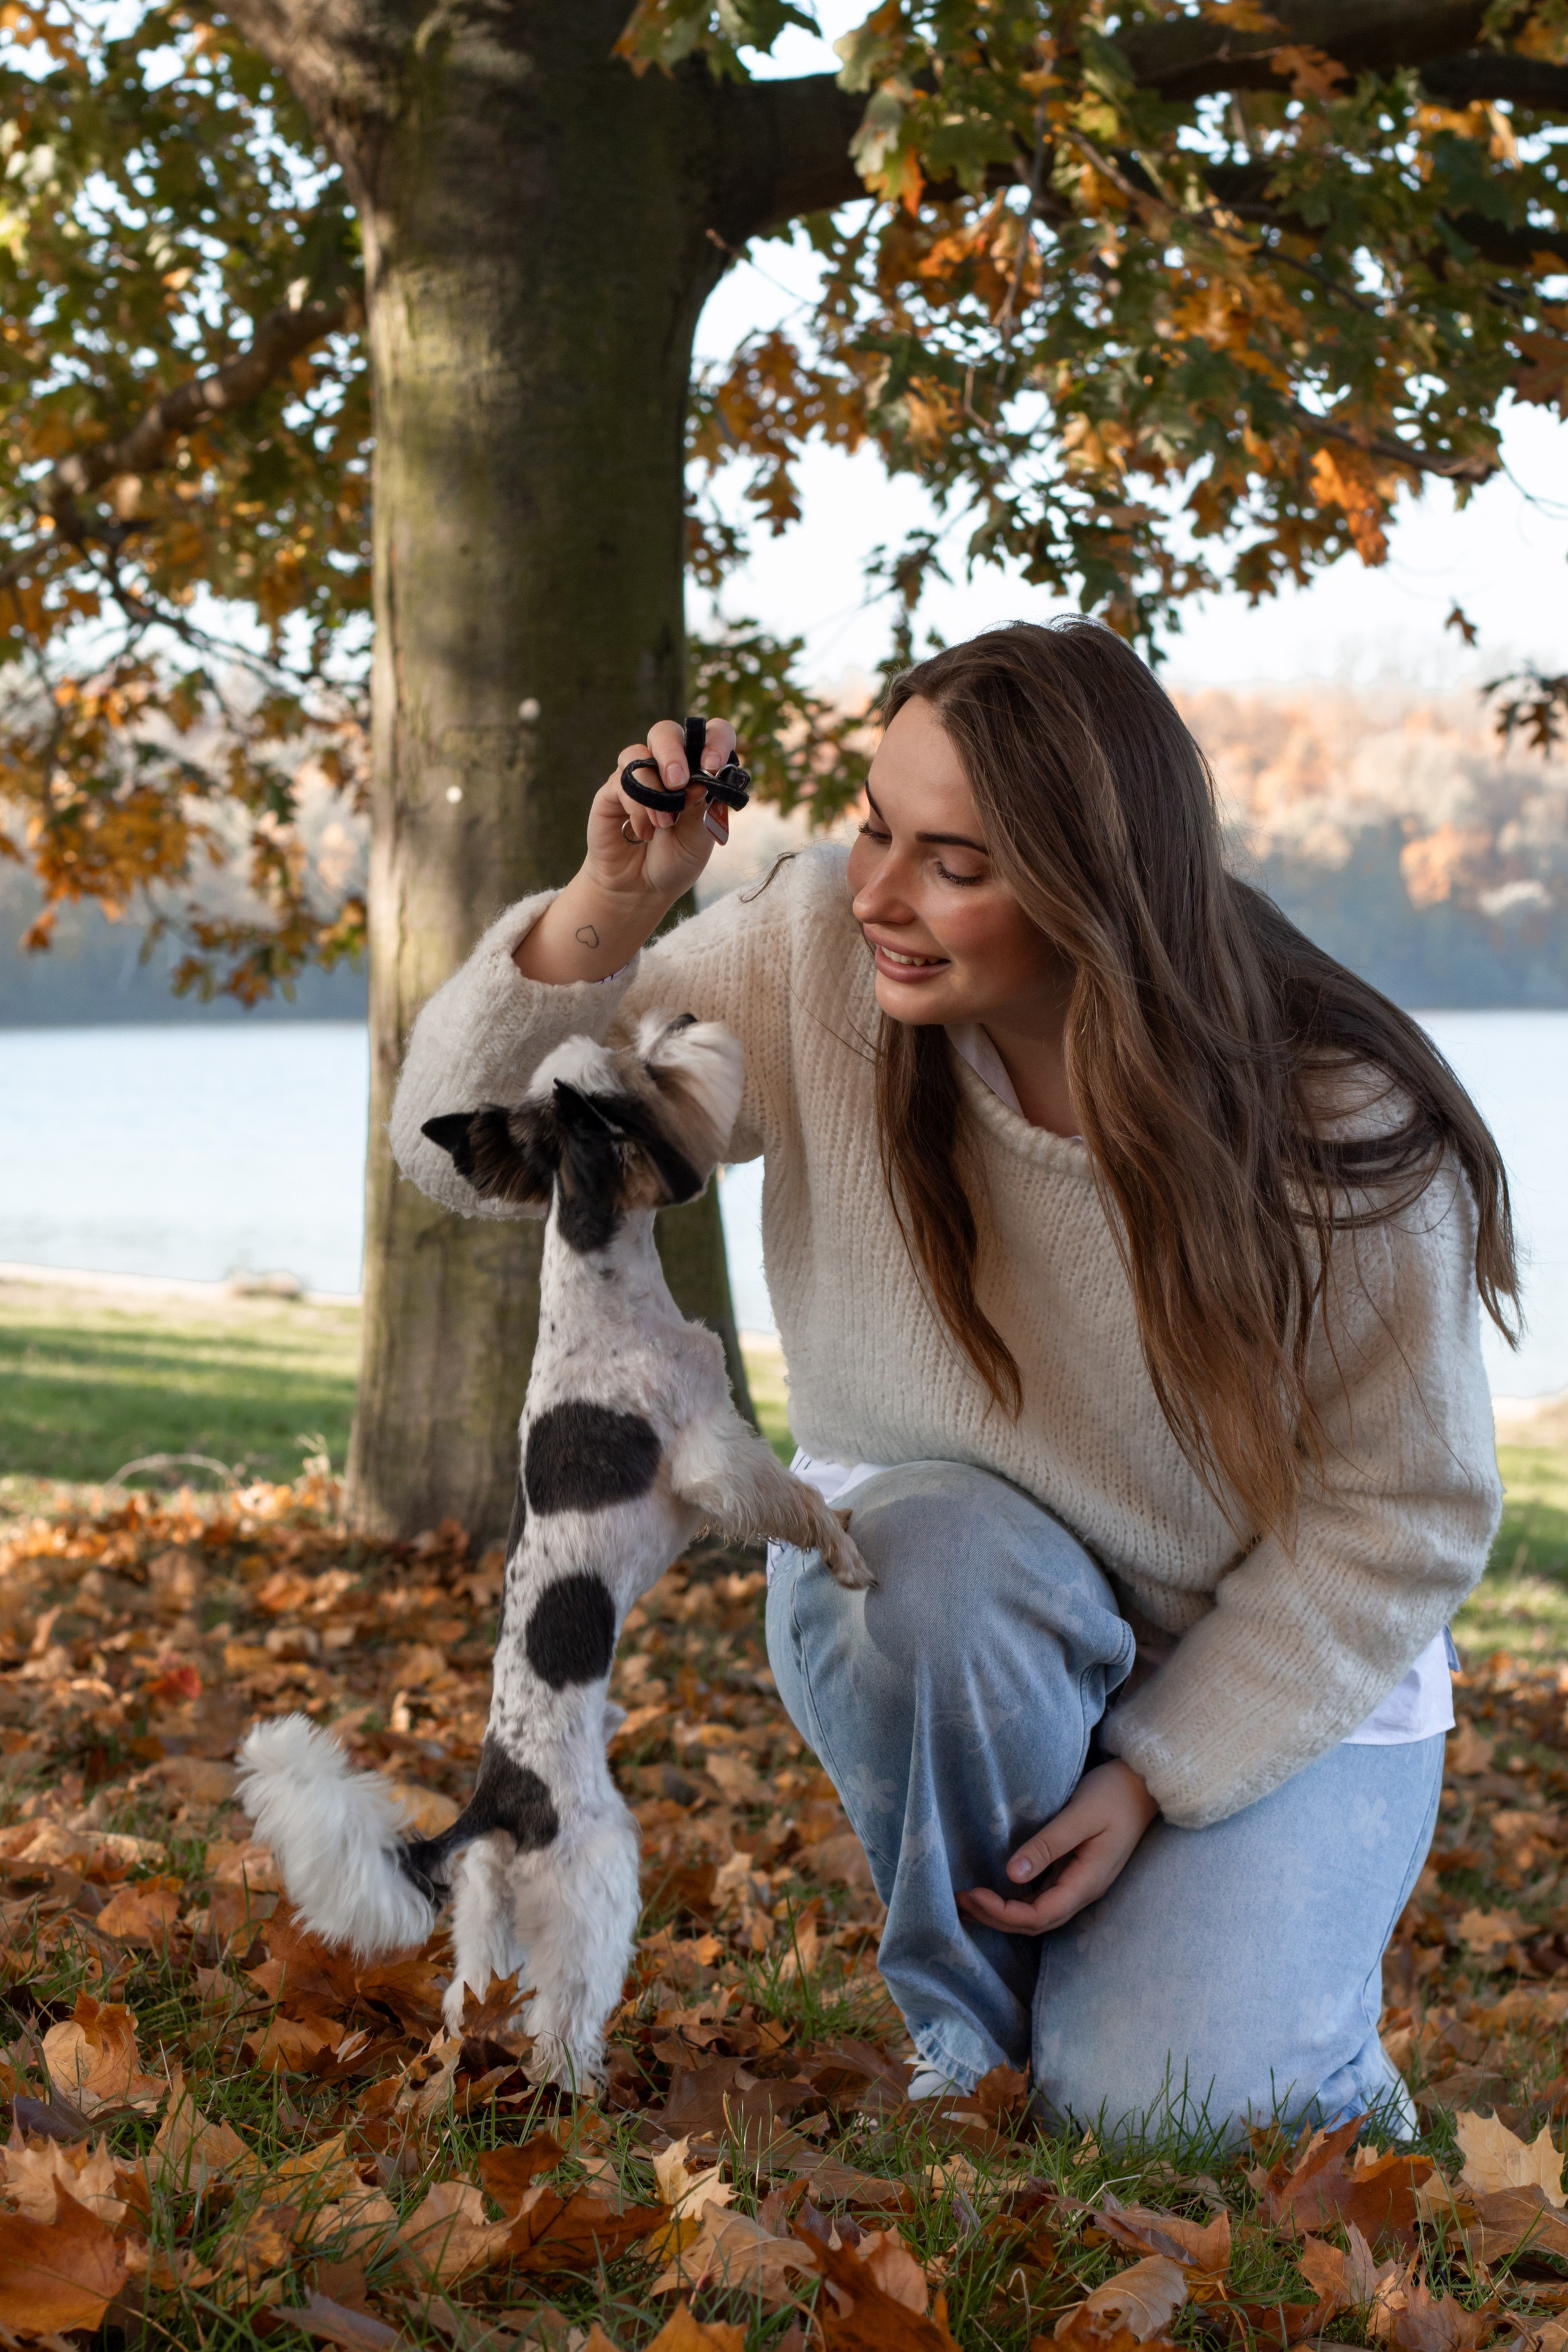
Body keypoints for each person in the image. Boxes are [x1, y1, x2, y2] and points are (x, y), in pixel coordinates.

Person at [391, 619, 1511, 2139]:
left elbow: (1408, 1511)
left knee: (1169, 2111)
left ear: (1087, 883)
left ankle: (1239, 2036)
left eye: (952, 863)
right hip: (952, 1607)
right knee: (933, 1567)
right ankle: (968, 2047)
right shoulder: (816, 963)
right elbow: (452, 1149)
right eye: (869, 827)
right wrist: (608, 906)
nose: (877, 893)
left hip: (1278, 1672)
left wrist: (1154, 1775)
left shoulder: (1325, 1117)